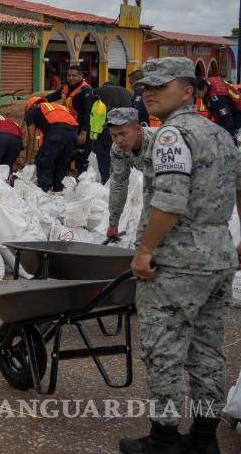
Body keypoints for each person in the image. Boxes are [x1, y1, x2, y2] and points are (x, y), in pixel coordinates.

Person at [119, 57, 241, 454]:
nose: (148, 92)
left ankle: (164, 438)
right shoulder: (221, 134)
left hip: (177, 263)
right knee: (207, 350)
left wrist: (145, 250)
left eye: (160, 86)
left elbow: (170, 201)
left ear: (188, 91)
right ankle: (204, 438)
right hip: (218, 258)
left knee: (164, 350)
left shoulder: (171, 136)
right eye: (145, 87)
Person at [105, 108, 156, 247]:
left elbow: (165, 189)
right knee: (142, 242)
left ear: (138, 129)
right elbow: (118, 184)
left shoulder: (158, 142)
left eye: (123, 134)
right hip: (155, 187)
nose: (119, 140)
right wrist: (113, 223)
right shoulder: (117, 149)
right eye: (114, 135)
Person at [44, 64, 94, 175]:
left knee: (81, 158)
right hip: (68, 127)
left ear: (81, 76)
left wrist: (83, 133)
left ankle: (82, 181)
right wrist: (41, 100)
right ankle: (64, 180)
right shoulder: (66, 87)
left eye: (74, 76)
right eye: (69, 75)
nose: (71, 78)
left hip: (81, 127)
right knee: (65, 155)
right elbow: (54, 95)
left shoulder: (86, 90)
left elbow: (87, 113)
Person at [23, 96, 78, 193]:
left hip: (57, 132)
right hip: (73, 133)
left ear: (29, 108)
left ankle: (44, 191)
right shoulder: (57, 107)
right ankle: (58, 190)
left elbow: (31, 137)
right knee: (61, 162)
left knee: (44, 161)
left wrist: (27, 161)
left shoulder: (33, 112)